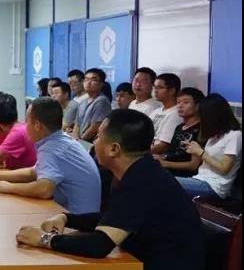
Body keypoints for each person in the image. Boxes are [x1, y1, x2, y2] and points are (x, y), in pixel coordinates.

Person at [15, 109, 204, 270]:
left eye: (98, 136)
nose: (94, 142)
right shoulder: (141, 171)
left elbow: (99, 245)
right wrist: (66, 218)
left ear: (114, 149)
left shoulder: (141, 182)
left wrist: (44, 239)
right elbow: (112, 218)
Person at [0, 98, 101, 214]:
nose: (25, 126)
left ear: (37, 125)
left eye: (27, 122)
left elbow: (44, 189)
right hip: (77, 214)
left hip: (78, 221)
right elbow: (34, 171)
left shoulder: (52, 148)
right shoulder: (60, 140)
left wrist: (10, 187)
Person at [176, 94, 242, 200]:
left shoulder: (235, 135)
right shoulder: (215, 135)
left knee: (165, 182)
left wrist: (201, 152)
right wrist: (196, 149)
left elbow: (224, 168)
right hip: (199, 179)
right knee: (162, 180)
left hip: (214, 186)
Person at [157, 88, 204, 177]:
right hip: (167, 170)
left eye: (186, 102)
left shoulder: (201, 129)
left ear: (197, 106)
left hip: (183, 175)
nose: (180, 106)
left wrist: (164, 163)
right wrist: (159, 157)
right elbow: (172, 153)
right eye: (178, 102)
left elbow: (193, 165)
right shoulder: (179, 127)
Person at [149, 73, 183, 155]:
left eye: (160, 88)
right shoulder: (155, 112)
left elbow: (164, 145)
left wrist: (140, 155)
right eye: (154, 87)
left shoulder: (176, 113)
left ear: (172, 91)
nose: (155, 91)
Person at [75, 68, 111, 143]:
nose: (88, 82)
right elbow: (77, 125)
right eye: (86, 79)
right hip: (80, 142)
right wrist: (76, 140)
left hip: (92, 144)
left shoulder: (102, 101)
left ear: (101, 84)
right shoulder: (83, 102)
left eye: (93, 80)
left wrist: (80, 142)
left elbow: (95, 128)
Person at [64, 70, 88, 134]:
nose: (71, 86)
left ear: (82, 81)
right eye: (69, 83)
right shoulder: (74, 99)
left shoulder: (87, 99)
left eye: (74, 82)